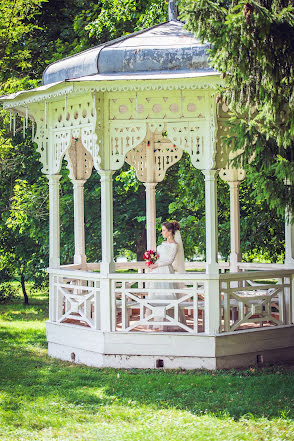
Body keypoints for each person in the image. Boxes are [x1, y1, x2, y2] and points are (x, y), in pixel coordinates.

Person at [147, 220, 186, 330]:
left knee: (167, 296)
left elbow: (169, 260)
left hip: (166, 271)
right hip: (157, 271)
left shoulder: (174, 245)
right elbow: (160, 257)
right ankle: (157, 322)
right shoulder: (163, 244)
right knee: (156, 295)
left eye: (164, 230)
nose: (162, 232)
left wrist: (156, 265)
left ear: (169, 231)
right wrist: (151, 261)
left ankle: (169, 323)